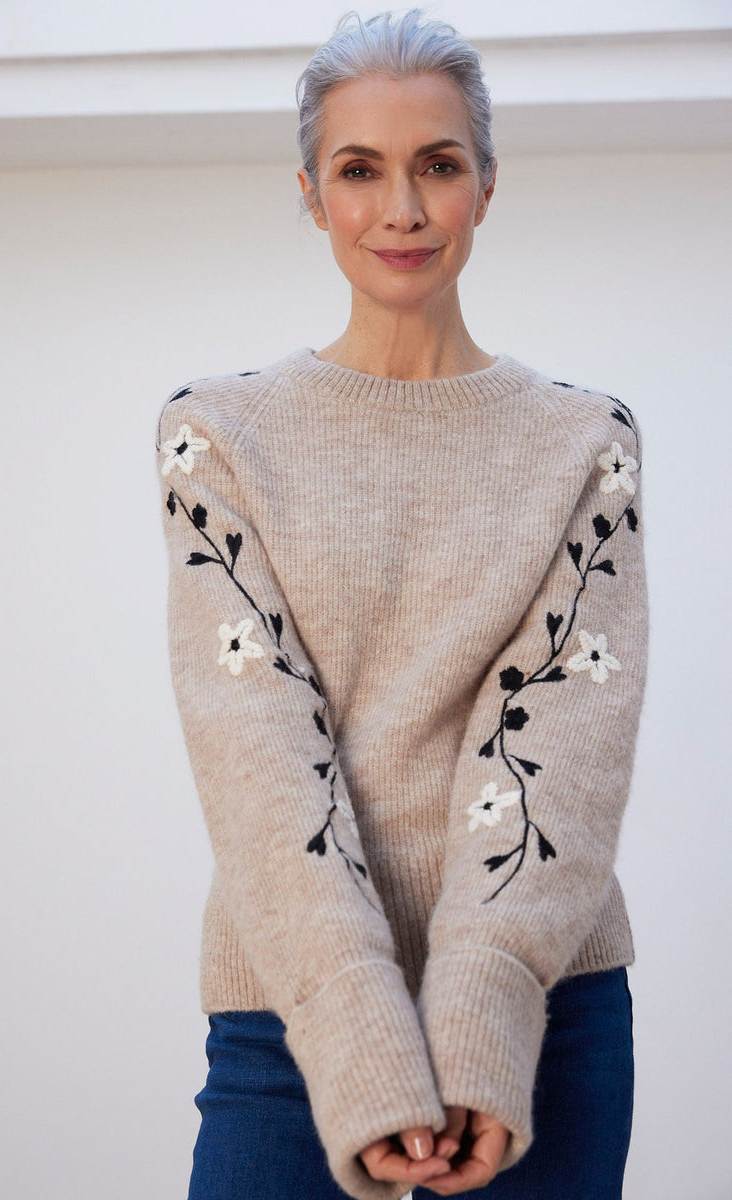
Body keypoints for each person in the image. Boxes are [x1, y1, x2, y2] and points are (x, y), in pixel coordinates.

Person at [155, 9, 648, 1200]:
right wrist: (356, 1033)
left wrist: (482, 1011)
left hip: (543, 1006)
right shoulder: (216, 436)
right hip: (291, 1008)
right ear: (311, 196)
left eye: (436, 164)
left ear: (485, 183)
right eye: (358, 170)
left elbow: (565, 746)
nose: (403, 209)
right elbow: (258, 753)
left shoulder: (584, 441)